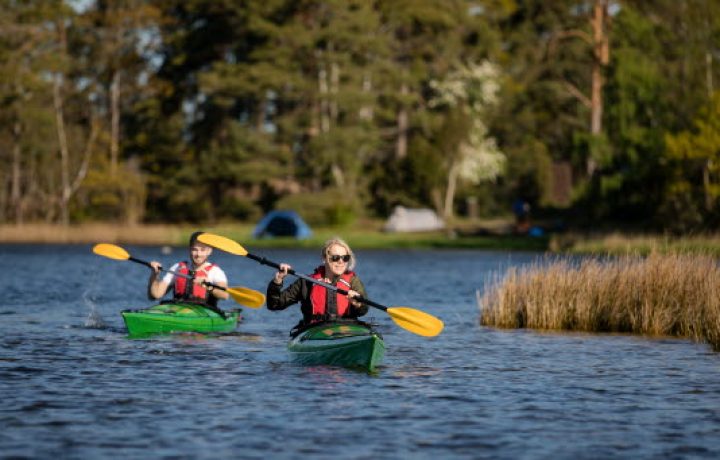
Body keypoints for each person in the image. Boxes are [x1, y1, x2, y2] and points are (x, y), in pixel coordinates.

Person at [267, 237, 369, 330]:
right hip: (315, 331)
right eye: (335, 258)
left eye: (345, 258)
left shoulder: (353, 281)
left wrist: (358, 304)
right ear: (325, 258)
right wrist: (278, 280)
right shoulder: (306, 282)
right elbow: (274, 305)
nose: (341, 262)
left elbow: (364, 310)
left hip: (346, 330)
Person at [147, 231, 229, 307]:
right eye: (195, 250)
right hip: (178, 310)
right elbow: (155, 295)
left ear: (210, 251)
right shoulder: (177, 268)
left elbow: (224, 295)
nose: (198, 254)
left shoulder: (215, 272)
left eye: (202, 250)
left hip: (204, 312)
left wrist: (208, 286)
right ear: (190, 249)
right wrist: (154, 275)